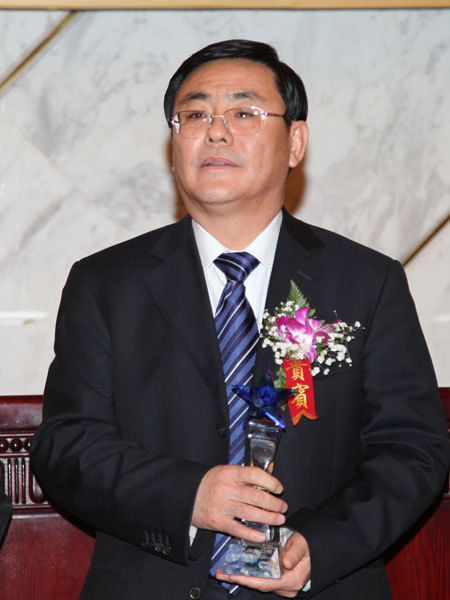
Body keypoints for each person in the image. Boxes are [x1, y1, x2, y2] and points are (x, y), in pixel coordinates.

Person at [30, 39, 449, 600]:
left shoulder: (366, 282)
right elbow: (66, 446)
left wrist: (323, 545)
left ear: (295, 142)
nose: (216, 132)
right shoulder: (106, 283)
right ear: (174, 144)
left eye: (245, 113)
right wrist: (189, 496)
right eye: (195, 115)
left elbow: (412, 448)